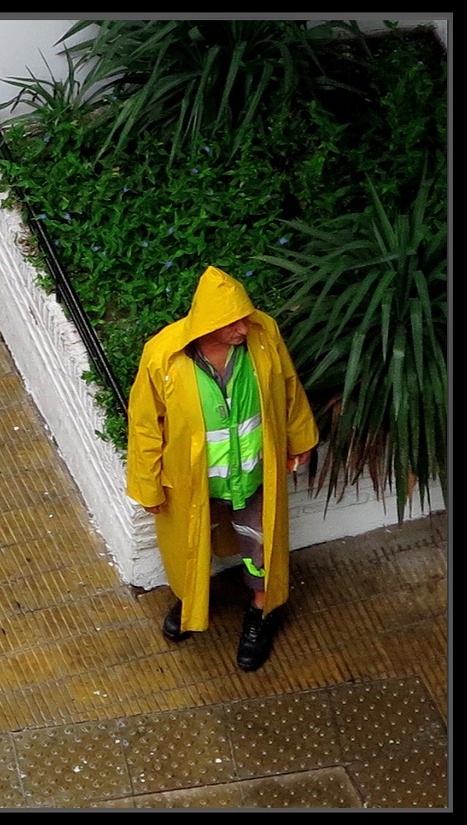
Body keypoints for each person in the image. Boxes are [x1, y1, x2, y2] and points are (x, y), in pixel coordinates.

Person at [126, 265, 319, 671]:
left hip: (253, 474)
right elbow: (145, 424)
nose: (243, 330)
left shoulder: (264, 335)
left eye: (245, 319)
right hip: (193, 479)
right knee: (189, 546)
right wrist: (148, 485)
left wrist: (299, 440)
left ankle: (261, 613)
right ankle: (191, 601)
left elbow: (287, 385)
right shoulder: (163, 355)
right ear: (208, 323)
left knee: (261, 545)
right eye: (232, 323)